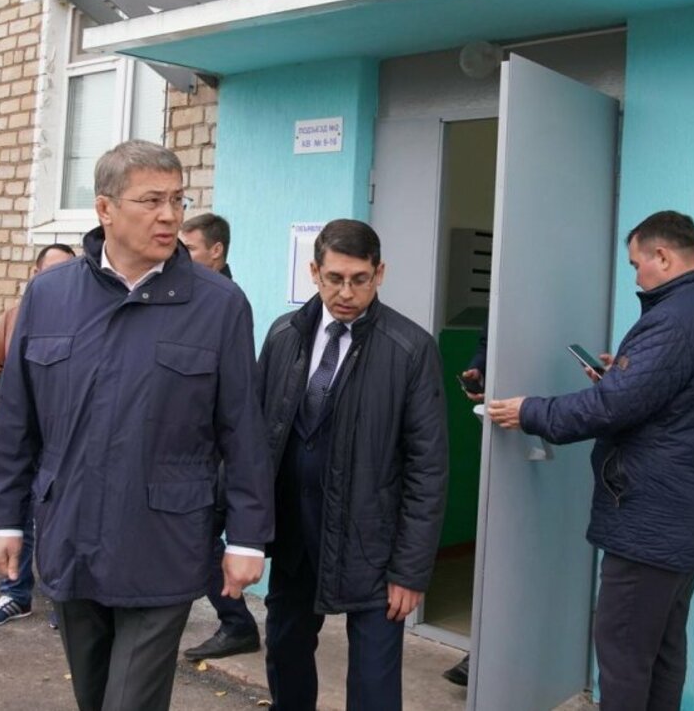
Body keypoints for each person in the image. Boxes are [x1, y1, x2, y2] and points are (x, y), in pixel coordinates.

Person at [0, 141, 273, 711]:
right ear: (105, 209)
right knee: (93, 697)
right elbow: (17, 419)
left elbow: (243, 431)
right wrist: (6, 518)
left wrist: (247, 538)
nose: (170, 215)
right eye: (152, 201)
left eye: (177, 200)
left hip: (163, 539)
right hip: (70, 531)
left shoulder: (218, 304)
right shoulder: (49, 295)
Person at [487, 211, 694, 711]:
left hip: (653, 520)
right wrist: (624, 377)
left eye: (636, 265)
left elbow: (610, 408)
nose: (636, 277)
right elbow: (678, 400)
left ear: (663, 256)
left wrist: (530, 412)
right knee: (664, 650)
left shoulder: (674, 321)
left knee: (624, 653)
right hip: (690, 515)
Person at [258, 219, 448, 711]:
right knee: (285, 650)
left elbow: (428, 468)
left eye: (360, 279)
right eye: (334, 278)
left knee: (373, 680)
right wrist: (240, 532)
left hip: (373, 546)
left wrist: (410, 570)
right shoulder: (284, 336)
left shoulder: (410, 349)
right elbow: (257, 439)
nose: (346, 292)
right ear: (314, 272)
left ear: (379, 274)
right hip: (295, 539)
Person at [0, 243, 76, 629]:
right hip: (23, 439)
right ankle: (15, 593)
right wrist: (8, 407)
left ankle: (65, 601)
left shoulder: (86, 317)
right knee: (17, 513)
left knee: (61, 519)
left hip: (63, 441)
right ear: (35, 275)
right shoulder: (15, 316)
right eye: (51, 271)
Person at [176, 213, 261, 662]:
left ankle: (237, 623)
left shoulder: (224, 302)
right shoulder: (189, 294)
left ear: (216, 251)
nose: (180, 255)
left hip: (217, 453)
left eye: (189, 248)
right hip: (196, 450)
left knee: (202, 538)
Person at [442, 322, 487, 688]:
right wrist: (479, 367)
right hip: (501, 434)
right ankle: (484, 654)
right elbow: (490, 339)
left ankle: (488, 655)